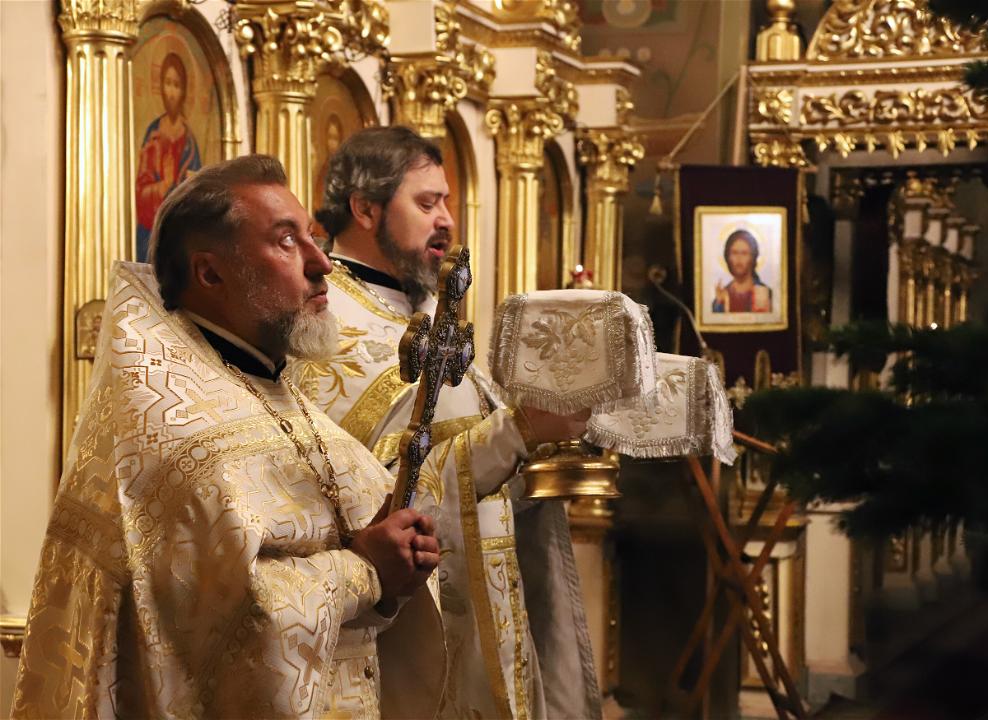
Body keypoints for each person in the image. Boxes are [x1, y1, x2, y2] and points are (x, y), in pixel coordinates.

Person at [12, 155, 445, 719]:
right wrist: (365, 571)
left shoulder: (278, 393)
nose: (323, 264)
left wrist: (393, 570)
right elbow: (220, 632)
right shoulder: (174, 427)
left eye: (312, 237)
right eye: (286, 241)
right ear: (210, 274)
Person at [294, 126, 601, 719]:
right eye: (427, 202)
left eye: (448, 202)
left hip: (490, 598)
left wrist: (549, 439)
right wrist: (517, 432)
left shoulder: (431, 311)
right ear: (365, 209)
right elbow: (374, 494)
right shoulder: (329, 324)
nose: (447, 220)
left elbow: (482, 456)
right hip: (406, 635)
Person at [135, 51, 203, 262]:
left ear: (183, 91)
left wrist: (193, 185)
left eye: (177, 85)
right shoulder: (153, 135)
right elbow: (140, 192)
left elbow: (203, 193)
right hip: (151, 235)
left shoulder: (190, 141)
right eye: (168, 84)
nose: (172, 92)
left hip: (182, 238)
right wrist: (163, 185)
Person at [711, 228, 773, 313]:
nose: (739, 259)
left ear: (752, 258)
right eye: (734, 253)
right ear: (728, 257)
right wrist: (720, 303)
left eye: (744, 253)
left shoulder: (764, 293)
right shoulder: (723, 295)